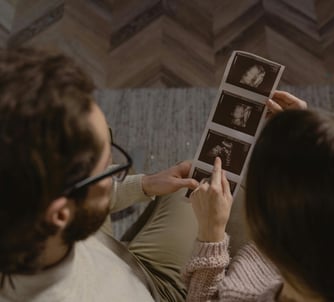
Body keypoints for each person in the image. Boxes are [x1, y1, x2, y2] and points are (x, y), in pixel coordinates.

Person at [0, 48, 203, 302]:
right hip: (158, 292)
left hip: (114, 257)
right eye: (108, 170)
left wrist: (145, 184)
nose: (115, 175)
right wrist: (212, 237)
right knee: (210, 181)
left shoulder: (24, 216)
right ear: (61, 214)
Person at [184, 93, 334, 301]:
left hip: (250, 266)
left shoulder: (236, 296)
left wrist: (210, 236)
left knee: (183, 192)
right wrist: (313, 145)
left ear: (260, 227)